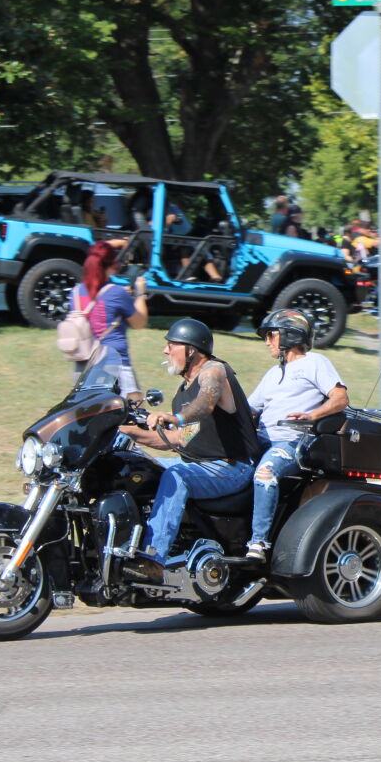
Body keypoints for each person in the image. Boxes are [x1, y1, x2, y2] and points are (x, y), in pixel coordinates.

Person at [119, 318, 261, 566]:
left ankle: (153, 558)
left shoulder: (214, 371)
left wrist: (174, 417)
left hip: (231, 468)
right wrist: (126, 431)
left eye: (171, 345)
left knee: (178, 476)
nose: (165, 350)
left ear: (191, 350)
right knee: (134, 465)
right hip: (202, 466)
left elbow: (205, 403)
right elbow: (177, 439)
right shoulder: (182, 394)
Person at [242, 309, 349, 561]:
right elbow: (249, 409)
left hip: (292, 441)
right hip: (261, 440)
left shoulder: (315, 363)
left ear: (290, 335)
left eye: (271, 335)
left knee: (265, 473)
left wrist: (312, 416)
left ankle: (259, 543)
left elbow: (340, 398)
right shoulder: (273, 373)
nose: (267, 341)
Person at [72, 240, 149, 396]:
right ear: (110, 265)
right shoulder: (116, 293)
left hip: (84, 366)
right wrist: (140, 294)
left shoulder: (75, 292)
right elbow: (139, 323)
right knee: (131, 414)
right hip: (116, 365)